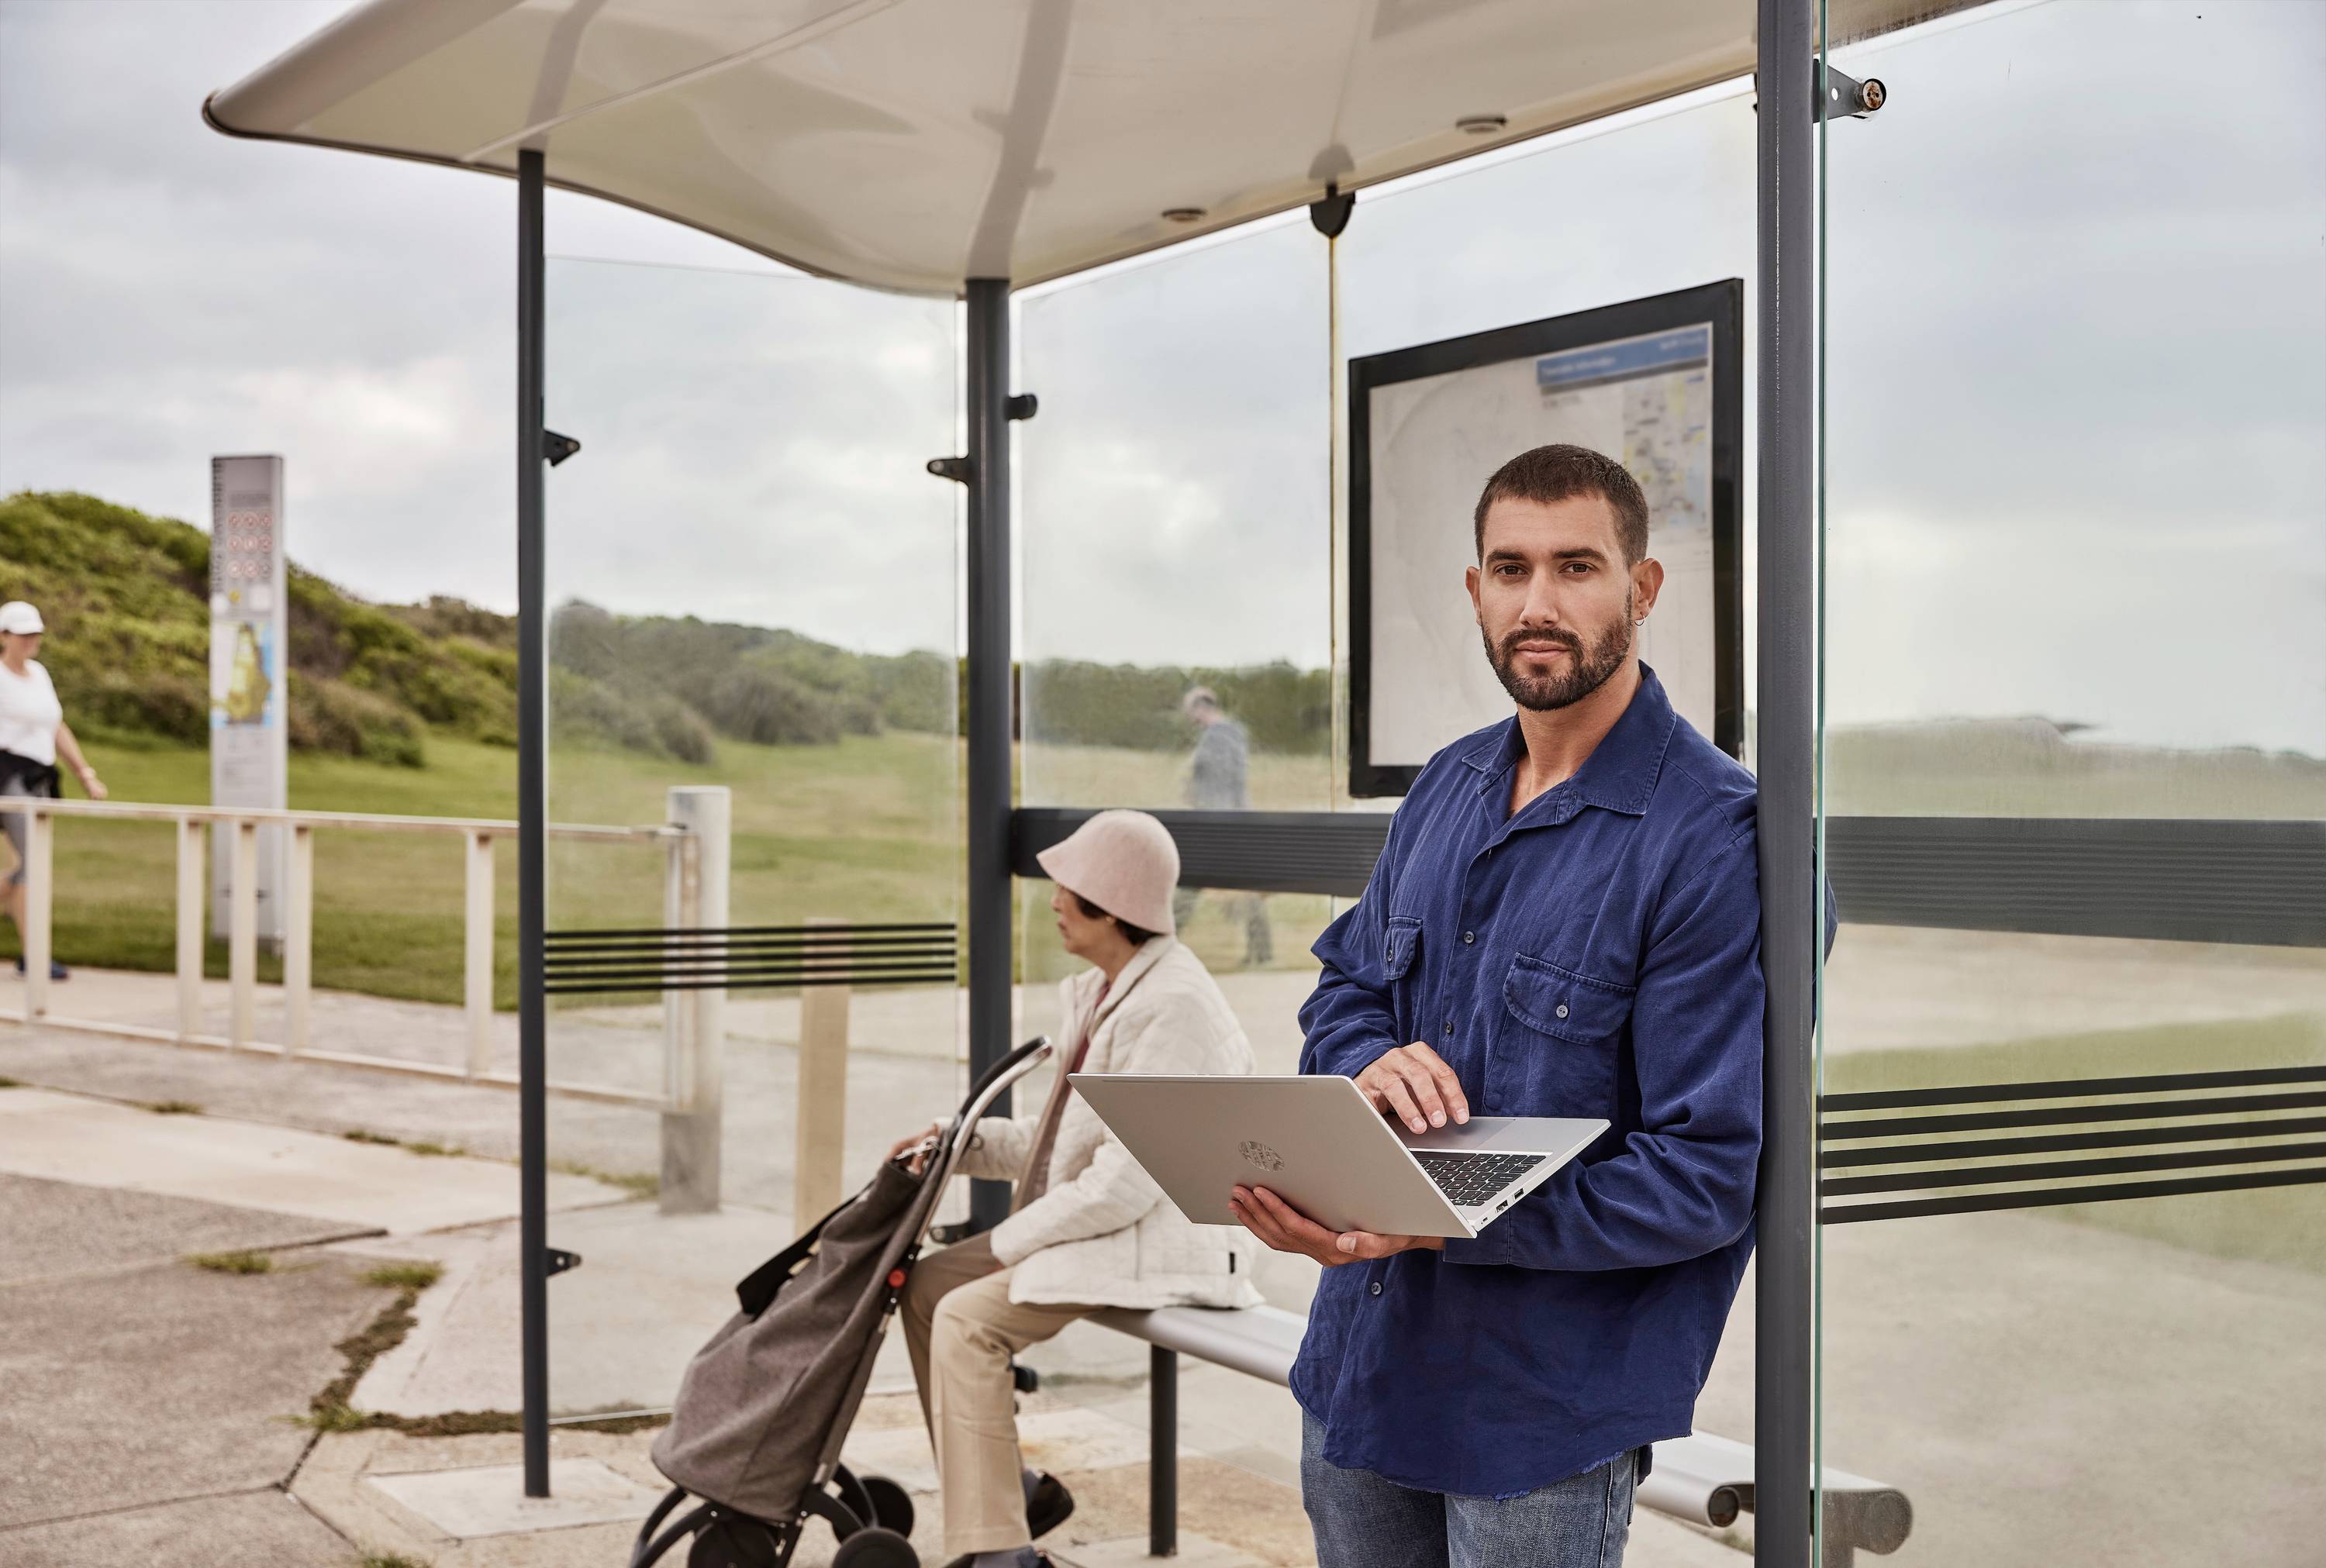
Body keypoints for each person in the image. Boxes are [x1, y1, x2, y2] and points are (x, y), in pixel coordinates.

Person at [1230, 446, 1765, 1568]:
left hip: (1540, 1410)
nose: (1538, 602)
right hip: (1360, 1368)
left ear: (1644, 587)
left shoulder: (1714, 838)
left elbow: (1704, 1176)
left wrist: (1440, 1213)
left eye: (1577, 566)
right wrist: (1368, 1055)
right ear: (1473, 590)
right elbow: (1347, 985)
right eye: (1509, 567)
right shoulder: (1447, 783)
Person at [888, 808, 1260, 1568]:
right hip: (1109, 1228)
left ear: (1113, 905)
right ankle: (1008, 1489)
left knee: (965, 1317)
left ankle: (1002, 1555)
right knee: (925, 1288)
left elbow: (1121, 1190)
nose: (1054, 900)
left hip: (1160, 1241)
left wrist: (1005, 1241)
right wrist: (953, 1144)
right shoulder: (1103, 989)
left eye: (1070, 887)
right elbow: (1060, 1144)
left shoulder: (1174, 1009)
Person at [0, 601, 106, 980]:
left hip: (38, 777)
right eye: (23, 633)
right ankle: (36, 956)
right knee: (35, 863)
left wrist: (85, 773)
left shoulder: (40, 674)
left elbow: (56, 727)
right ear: (4, 636)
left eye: (35, 634)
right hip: (7, 776)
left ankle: (35, 953)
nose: (31, 640)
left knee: (33, 865)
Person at [1172, 687, 1272, 967]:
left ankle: (1162, 944)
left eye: (1189, 710)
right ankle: (1262, 953)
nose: (1187, 716)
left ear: (1199, 708)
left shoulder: (1221, 736)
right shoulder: (1224, 735)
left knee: (1189, 883)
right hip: (1225, 823)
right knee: (1246, 890)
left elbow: (1223, 782)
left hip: (1220, 825)